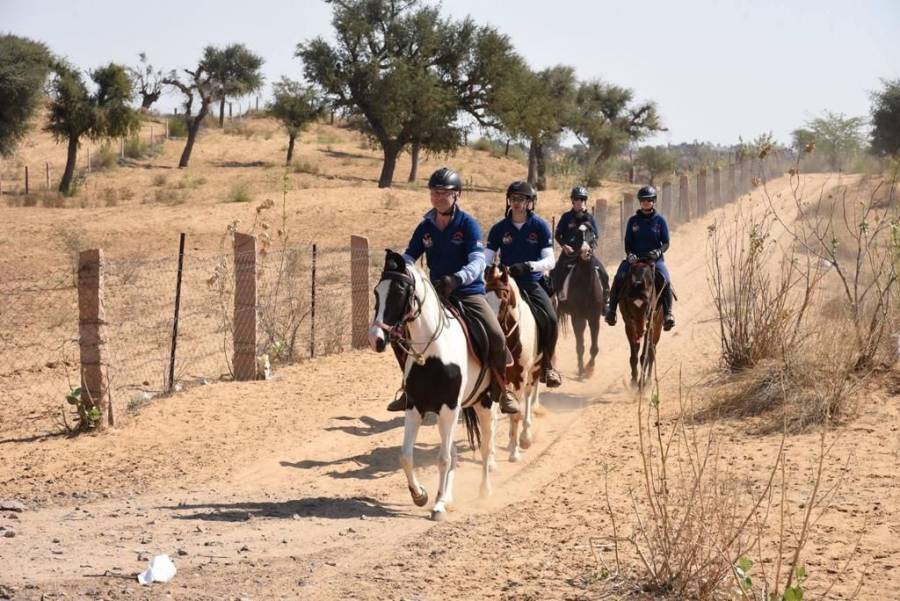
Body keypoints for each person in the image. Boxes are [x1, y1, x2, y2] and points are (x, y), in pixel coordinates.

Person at [386, 167, 520, 414]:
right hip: (435, 295)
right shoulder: (425, 227)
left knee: (496, 336)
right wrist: (398, 266)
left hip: (468, 292)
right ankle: (408, 387)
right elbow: (410, 256)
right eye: (434, 192)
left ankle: (503, 388)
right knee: (398, 333)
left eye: (443, 193)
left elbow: (478, 261)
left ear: (457, 194)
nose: (438, 197)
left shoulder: (468, 225)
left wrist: (458, 279)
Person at [485, 181, 562, 388]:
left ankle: (547, 365)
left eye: (521, 199)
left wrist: (529, 266)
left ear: (530, 202)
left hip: (531, 283)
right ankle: (484, 365)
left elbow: (550, 261)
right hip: (505, 285)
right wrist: (491, 270)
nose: (516, 203)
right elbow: (487, 258)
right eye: (513, 199)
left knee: (551, 319)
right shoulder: (499, 229)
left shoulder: (540, 226)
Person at [605, 185, 676, 330]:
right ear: (639, 202)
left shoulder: (660, 221)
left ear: (654, 201)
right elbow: (627, 242)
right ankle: (611, 310)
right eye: (643, 200)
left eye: (649, 200)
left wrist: (659, 252)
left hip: (654, 259)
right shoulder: (633, 221)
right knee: (619, 276)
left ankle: (668, 314)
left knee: (665, 279)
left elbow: (666, 242)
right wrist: (630, 254)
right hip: (635, 259)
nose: (646, 202)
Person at [553, 186, 610, 308]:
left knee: (603, 273)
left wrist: (590, 247)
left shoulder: (589, 217)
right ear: (573, 201)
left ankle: (606, 302)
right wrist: (564, 246)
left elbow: (596, 236)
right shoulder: (566, 217)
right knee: (556, 272)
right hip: (569, 254)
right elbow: (557, 235)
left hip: (586, 254)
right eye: (577, 199)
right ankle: (557, 302)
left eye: (582, 199)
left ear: (585, 201)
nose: (580, 202)